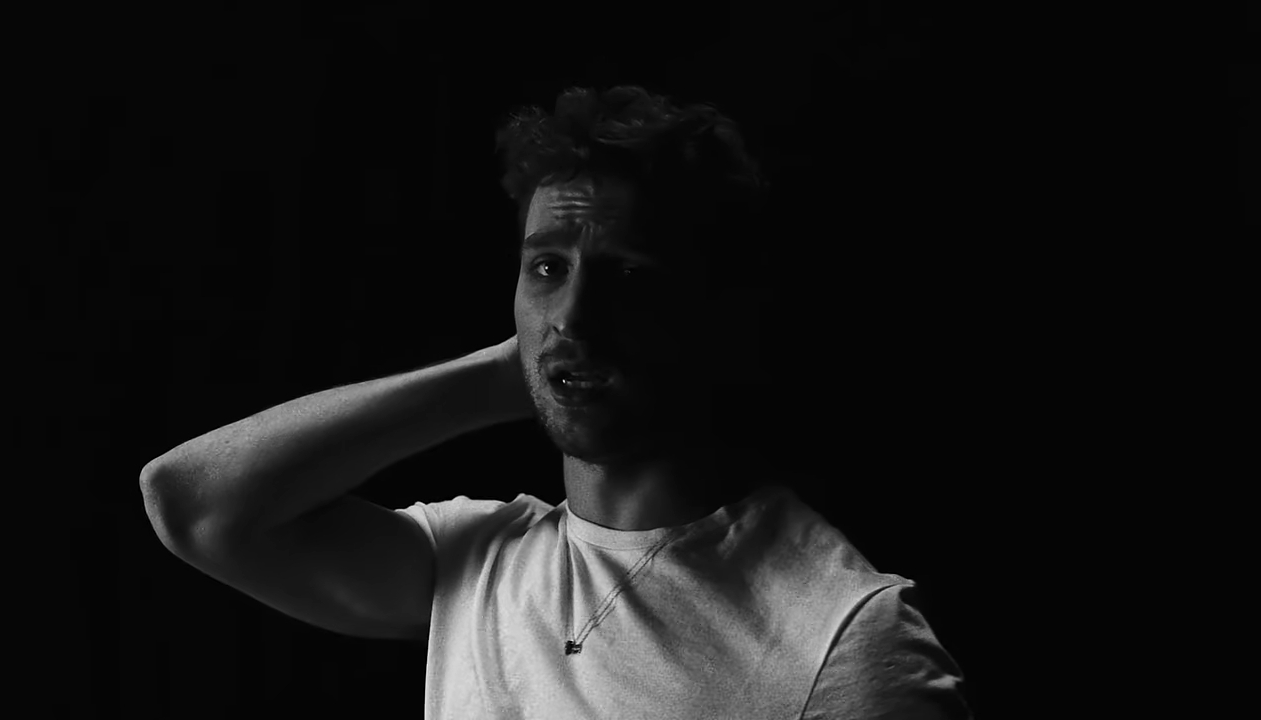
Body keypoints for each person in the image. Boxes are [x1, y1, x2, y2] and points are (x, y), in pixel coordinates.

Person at [140, 85, 972, 719]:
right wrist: (520, 367)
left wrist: (558, 354)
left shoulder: (845, 633)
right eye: (548, 268)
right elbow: (193, 501)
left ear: (716, 308)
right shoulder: (479, 564)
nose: (574, 314)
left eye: (628, 275)